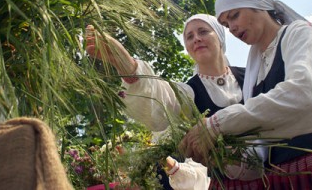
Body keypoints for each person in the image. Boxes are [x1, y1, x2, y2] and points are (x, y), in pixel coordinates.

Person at [180, 0, 312, 189]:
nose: (233, 28)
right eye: (227, 25)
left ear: (258, 4)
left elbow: (307, 95)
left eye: (235, 15)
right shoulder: (255, 72)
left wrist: (217, 124)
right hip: (284, 180)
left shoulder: (302, 34)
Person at [86, 14, 264, 189]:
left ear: (219, 36)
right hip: (227, 185)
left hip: (274, 174)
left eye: (203, 31)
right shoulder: (188, 92)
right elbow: (161, 102)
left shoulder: (252, 75)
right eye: (190, 36)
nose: (197, 39)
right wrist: (127, 66)